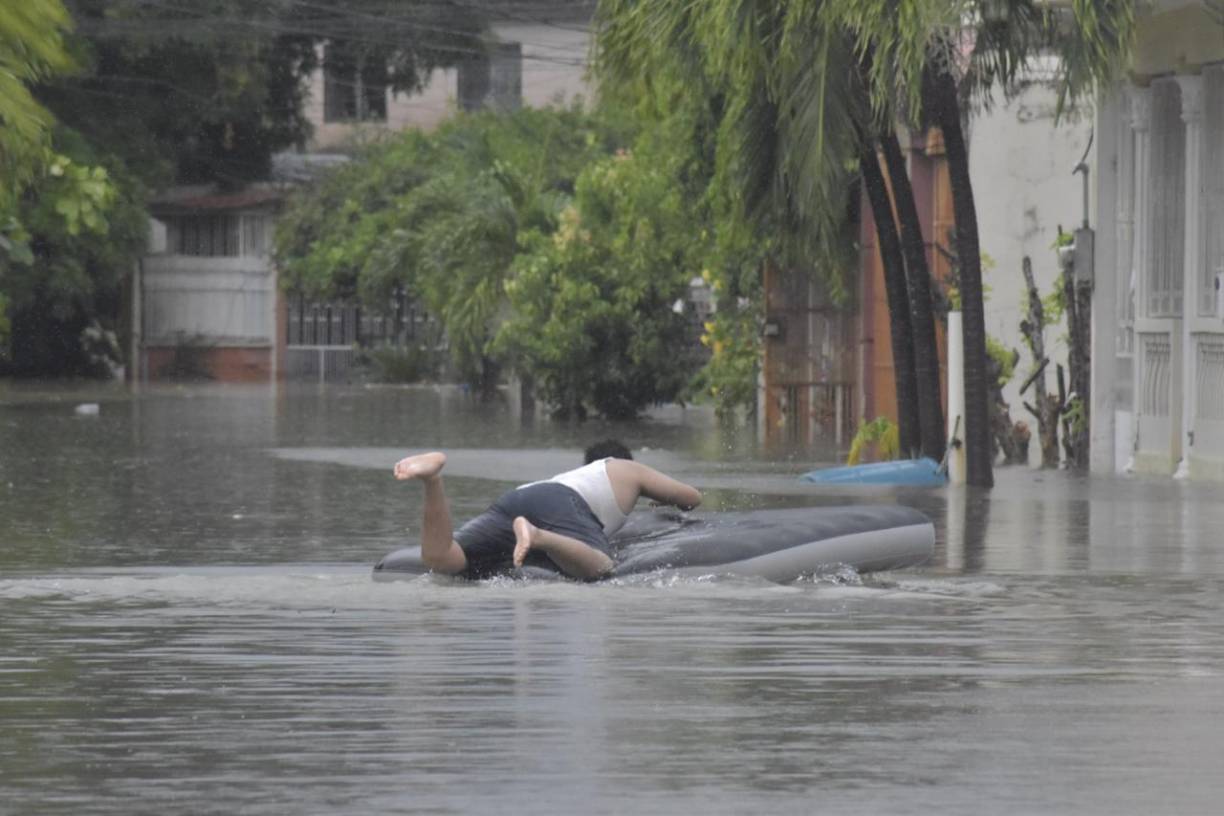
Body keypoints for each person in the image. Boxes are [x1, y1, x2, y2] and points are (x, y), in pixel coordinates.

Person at [393, 449, 702, 581]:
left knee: (445, 559)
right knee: (602, 569)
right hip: (562, 503)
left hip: (519, 496)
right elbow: (691, 497)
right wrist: (665, 500)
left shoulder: (575, 474)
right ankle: (536, 535)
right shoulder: (628, 469)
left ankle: (433, 481)